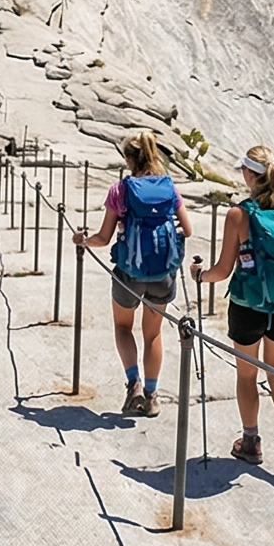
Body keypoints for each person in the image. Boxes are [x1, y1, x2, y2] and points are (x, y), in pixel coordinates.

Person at [192, 145, 274, 471]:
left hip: (248, 306)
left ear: (250, 174)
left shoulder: (240, 214)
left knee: (247, 375)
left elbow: (222, 270)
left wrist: (200, 275)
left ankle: (251, 442)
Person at [72, 131, 188, 417]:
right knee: (153, 334)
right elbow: (188, 228)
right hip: (162, 274)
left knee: (123, 328)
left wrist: (83, 241)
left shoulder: (120, 190)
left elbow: (104, 236)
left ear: (129, 159)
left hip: (128, 273)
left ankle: (133, 384)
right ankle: (152, 396)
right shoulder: (170, 188)